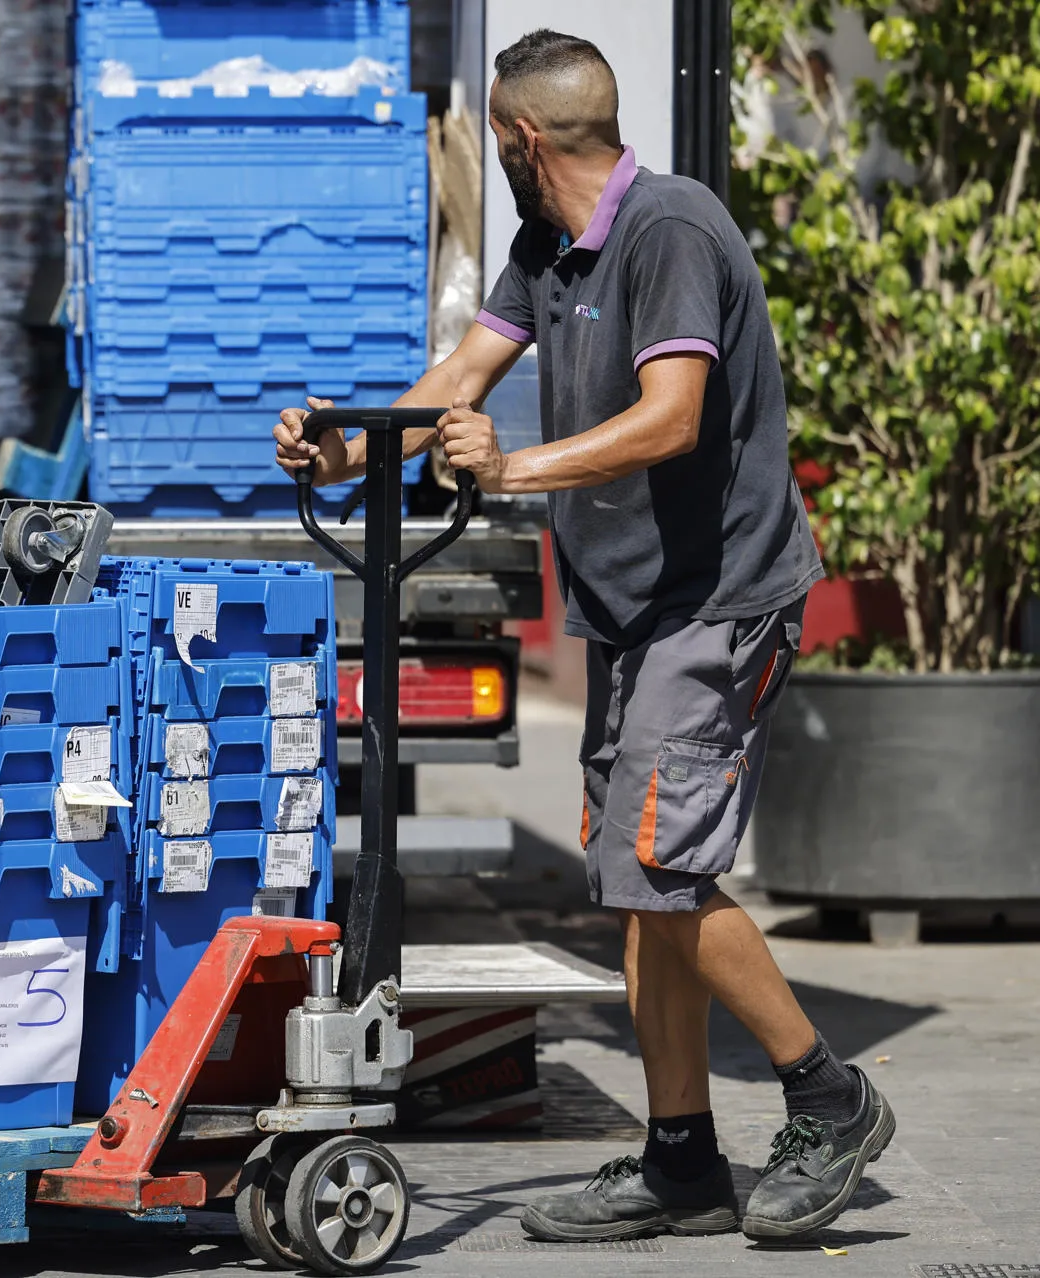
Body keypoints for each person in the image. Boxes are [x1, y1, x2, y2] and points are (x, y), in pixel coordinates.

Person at [275, 29, 892, 1245]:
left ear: (518, 138)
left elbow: (670, 418)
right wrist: (346, 451)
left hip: (718, 602)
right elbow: (462, 374)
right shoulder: (547, 244)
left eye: (496, 137)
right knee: (634, 878)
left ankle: (830, 1097)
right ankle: (680, 1161)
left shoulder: (669, 232)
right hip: (632, 610)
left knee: (659, 866)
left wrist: (516, 469)